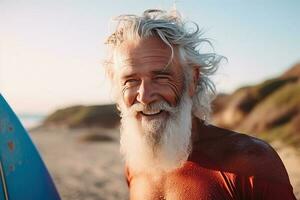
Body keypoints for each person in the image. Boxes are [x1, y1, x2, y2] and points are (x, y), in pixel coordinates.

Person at [104, 9, 296, 200]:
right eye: (130, 81)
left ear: (192, 80)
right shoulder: (136, 162)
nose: (144, 96)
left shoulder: (250, 162)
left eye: (161, 77)